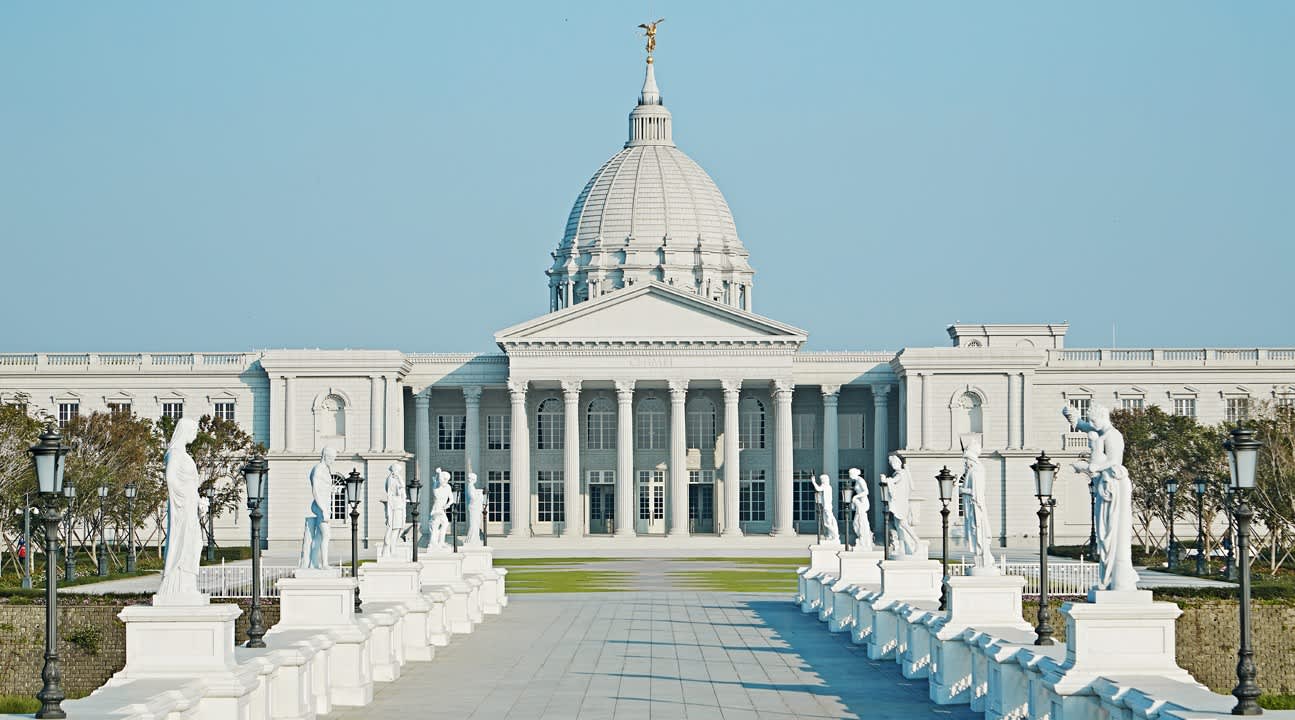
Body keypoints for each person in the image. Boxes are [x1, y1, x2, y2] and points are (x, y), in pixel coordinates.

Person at [1065, 404, 1138, 592]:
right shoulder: (1101, 431)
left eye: (1093, 420)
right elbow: (1084, 426)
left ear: (1103, 416)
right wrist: (1074, 419)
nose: (1091, 424)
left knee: (1111, 532)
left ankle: (1116, 578)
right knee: (1105, 535)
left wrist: (1092, 468)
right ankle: (1107, 578)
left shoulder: (1113, 435)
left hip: (1113, 488)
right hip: (1106, 486)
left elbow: (1114, 460)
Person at [157, 417, 204, 601]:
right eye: (193, 431)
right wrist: (187, 498)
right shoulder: (175, 453)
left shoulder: (183, 454)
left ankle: (187, 585)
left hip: (189, 505)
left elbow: (189, 484)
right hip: (182, 508)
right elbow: (171, 478)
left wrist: (198, 500)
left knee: (195, 543)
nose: (195, 434)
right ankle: (178, 586)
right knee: (185, 542)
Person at [961, 439, 997, 571]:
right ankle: (981, 558)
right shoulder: (974, 469)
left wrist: (962, 490)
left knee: (978, 530)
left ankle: (984, 558)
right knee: (975, 532)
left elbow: (976, 493)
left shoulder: (975, 470)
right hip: (972, 507)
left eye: (966, 460)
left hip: (975, 508)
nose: (965, 463)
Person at [299, 447, 336, 569]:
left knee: (318, 537)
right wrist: (323, 510)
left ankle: (312, 563)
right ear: (325, 456)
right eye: (331, 458)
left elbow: (324, 489)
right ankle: (325, 563)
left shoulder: (326, 469)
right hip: (320, 506)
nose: (332, 461)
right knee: (326, 535)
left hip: (325, 506)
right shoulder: (319, 469)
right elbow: (315, 491)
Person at [880, 454, 922, 558]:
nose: (893, 465)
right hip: (899, 502)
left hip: (901, 503)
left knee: (903, 524)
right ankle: (902, 548)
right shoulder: (898, 473)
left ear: (899, 463)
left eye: (894, 463)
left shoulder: (901, 473)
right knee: (899, 526)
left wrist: (885, 479)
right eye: (891, 463)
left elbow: (893, 481)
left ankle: (917, 542)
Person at [380, 464, 406, 558]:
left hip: (398, 507)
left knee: (395, 529)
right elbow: (400, 488)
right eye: (398, 471)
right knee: (394, 529)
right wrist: (398, 478)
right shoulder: (392, 479)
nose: (398, 473)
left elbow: (401, 489)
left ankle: (390, 550)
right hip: (396, 507)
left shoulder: (393, 479)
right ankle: (391, 550)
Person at [847, 468, 873, 551]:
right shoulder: (857, 481)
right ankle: (862, 538)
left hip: (863, 502)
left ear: (854, 473)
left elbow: (866, 492)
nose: (849, 475)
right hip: (859, 502)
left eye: (850, 473)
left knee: (860, 521)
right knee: (857, 522)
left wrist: (856, 496)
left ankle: (864, 539)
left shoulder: (861, 480)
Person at [811, 474, 840, 544]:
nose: (821, 481)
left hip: (827, 507)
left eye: (821, 480)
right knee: (829, 522)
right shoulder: (828, 486)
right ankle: (830, 536)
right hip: (827, 507)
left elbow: (818, 489)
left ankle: (835, 535)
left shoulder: (826, 486)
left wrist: (813, 482)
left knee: (827, 523)